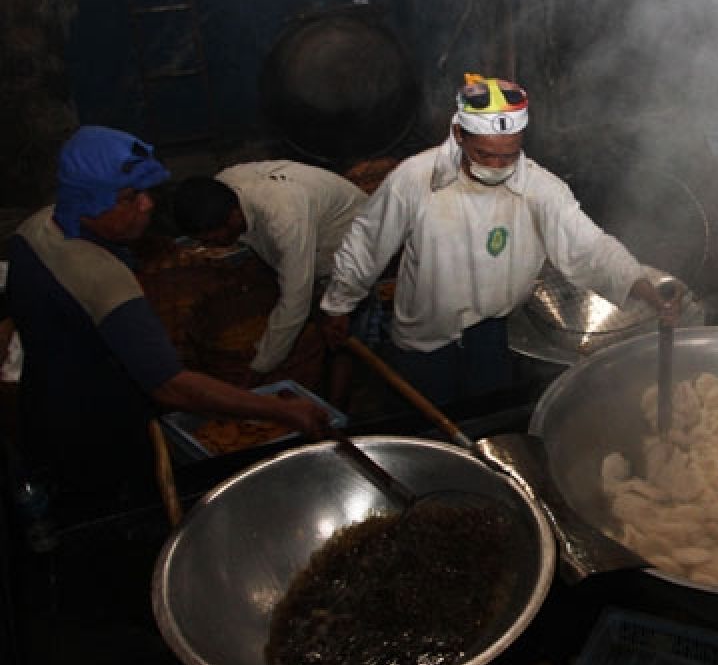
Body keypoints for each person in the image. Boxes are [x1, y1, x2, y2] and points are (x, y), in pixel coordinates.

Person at [6, 127, 330, 517]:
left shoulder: (34, 228)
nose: (146, 206)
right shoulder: (102, 278)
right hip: (100, 437)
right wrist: (281, 411)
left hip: (41, 409)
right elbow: (171, 387)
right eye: (130, 198)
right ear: (92, 203)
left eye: (145, 193)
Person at [320, 74, 676, 406]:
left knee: (485, 417)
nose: (498, 165)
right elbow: (368, 241)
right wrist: (339, 303)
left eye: (509, 155)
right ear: (460, 135)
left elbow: (590, 247)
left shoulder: (540, 189)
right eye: (485, 154)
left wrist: (643, 288)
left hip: (492, 331)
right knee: (429, 428)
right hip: (424, 334)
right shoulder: (416, 179)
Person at [172, 162, 367, 383]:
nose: (209, 245)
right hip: (307, 236)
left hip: (351, 247)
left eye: (211, 238)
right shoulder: (226, 187)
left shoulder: (285, 216)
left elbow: (295, 300)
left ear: (234, 217)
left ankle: (337, 405)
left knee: (340, 335)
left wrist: (259, 367)